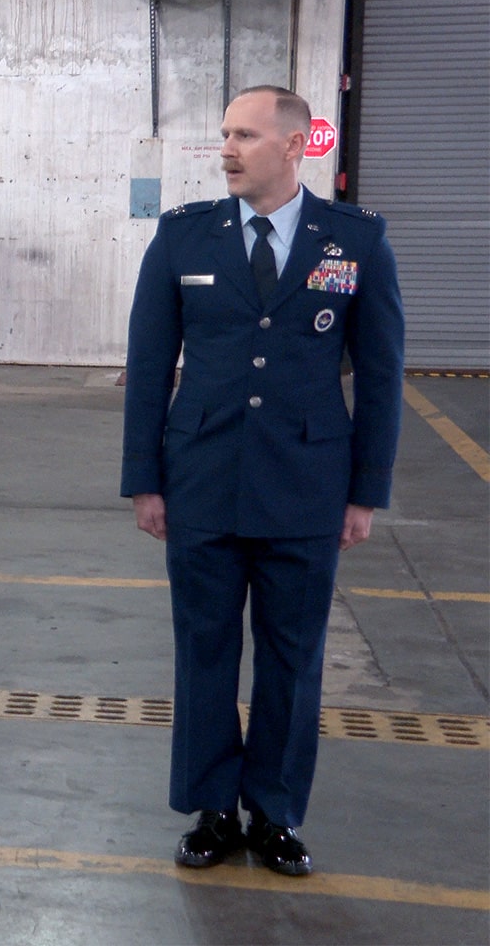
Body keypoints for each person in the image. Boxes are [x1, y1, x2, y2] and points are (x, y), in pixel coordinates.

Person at [121, 85, 403, 877]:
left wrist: (365, 491)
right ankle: (213, 808)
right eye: (224, 135)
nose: (228, 149)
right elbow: (148, 368)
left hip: (307, 486)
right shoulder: (183, 239)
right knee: (204, 650)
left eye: (245, 135)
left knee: (293, 656)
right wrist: (145, 479)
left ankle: (274, 811)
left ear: (297, 144)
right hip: (202, 478)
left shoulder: (355, 241)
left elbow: (381, 375)